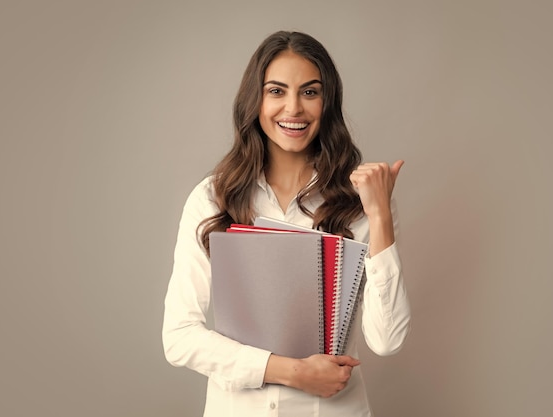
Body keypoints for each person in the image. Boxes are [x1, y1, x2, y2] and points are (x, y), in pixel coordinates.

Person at [162, 30, 410, 417]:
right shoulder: (212, 198)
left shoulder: (363, 201)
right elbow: (178, 337)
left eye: (310, 92)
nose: (293, 108)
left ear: (327, 102)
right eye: (276, 91)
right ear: (255, 101)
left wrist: (379, 216)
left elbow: (387, 340)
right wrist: (292, 372)